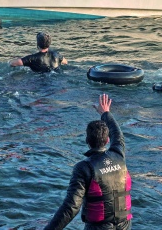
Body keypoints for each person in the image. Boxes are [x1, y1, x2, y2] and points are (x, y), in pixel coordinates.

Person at [43, 94, 132, 230]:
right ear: (107, 140)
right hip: (125, 226)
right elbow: (117, 134)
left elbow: (71, 206)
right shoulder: (118, 155)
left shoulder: (84, 168)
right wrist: (106, 113)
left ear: (87, 141)